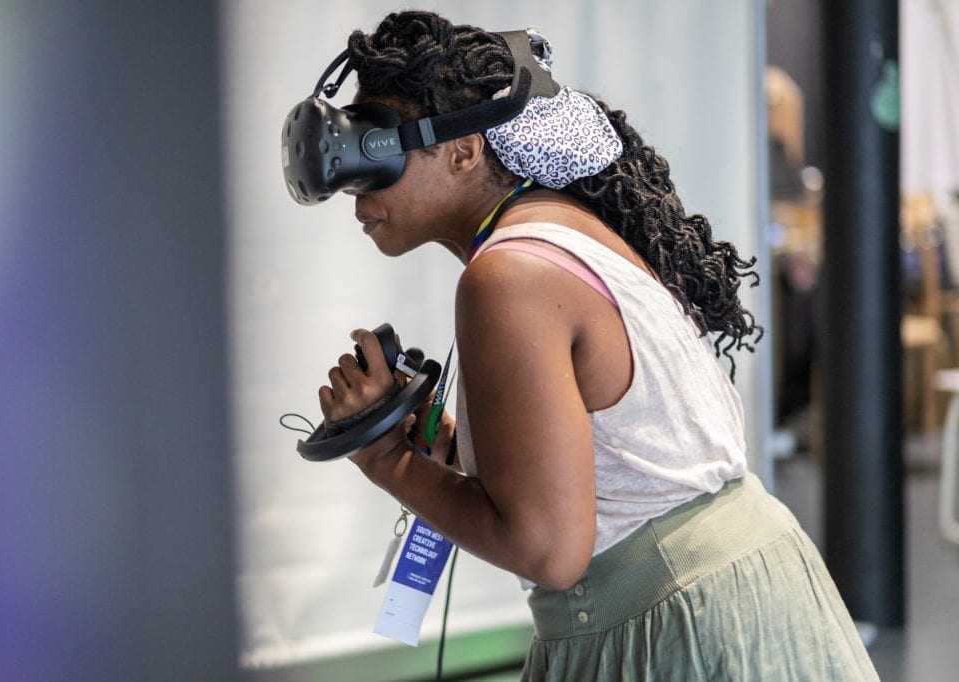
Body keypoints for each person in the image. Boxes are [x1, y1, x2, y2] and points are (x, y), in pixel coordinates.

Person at [310, 10, 878, 680]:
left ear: (464, 151)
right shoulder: (561, 229)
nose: (354, 186)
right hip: (743, 597)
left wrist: (384, 460)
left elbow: (549, 550)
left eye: (379, 150)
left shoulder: (508, 277)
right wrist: (441, 454)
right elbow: (613, 464)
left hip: (680, 628)